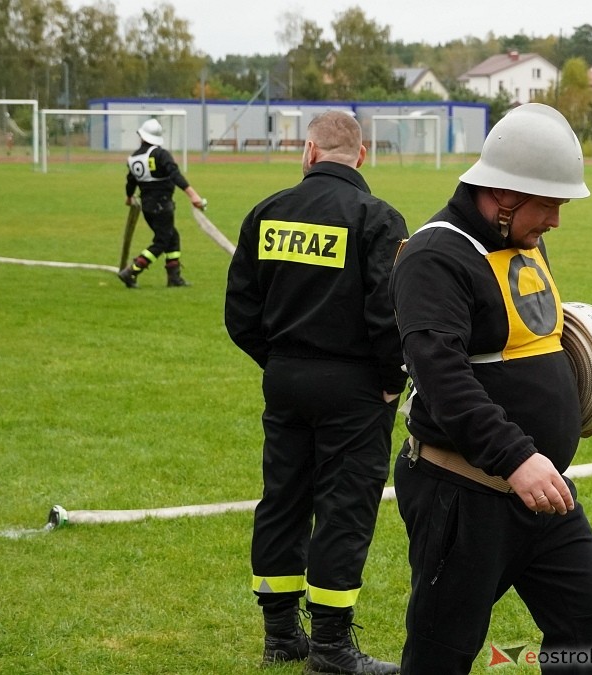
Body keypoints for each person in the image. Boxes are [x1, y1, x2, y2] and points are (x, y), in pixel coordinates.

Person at [389, 103, 592, 673]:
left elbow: (534, 342)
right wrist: (517, 456)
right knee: (442, 651)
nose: (556, 221)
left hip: (542, 489)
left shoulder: (523, 240)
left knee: (588, 626)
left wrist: (577, 400)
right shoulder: (433, 256)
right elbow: (442, 377)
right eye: (548, 204)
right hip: (463, 491)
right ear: (503, 193)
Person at [224, 110, 406, 675]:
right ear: (362, 155)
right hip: (353, 386)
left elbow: (240, 311)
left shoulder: (267, 213)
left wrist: (278, 360)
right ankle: (330, 647)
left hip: (285, 379)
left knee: (283, 499)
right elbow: (387, 314)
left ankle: (281, 634)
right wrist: (388, 381)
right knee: (344, 508)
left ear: (307, 152)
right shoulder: (377, 218)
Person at [118, 118, 205, 288]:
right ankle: (132, 270)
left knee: (172, 238)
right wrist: (193, 195)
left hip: (147, 207)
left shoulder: (134, 158)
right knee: (162, 241)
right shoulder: (160, 154)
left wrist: (129, 197)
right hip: (162, 205)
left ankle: (174, 277)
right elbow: (175, 175)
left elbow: (131, 181)